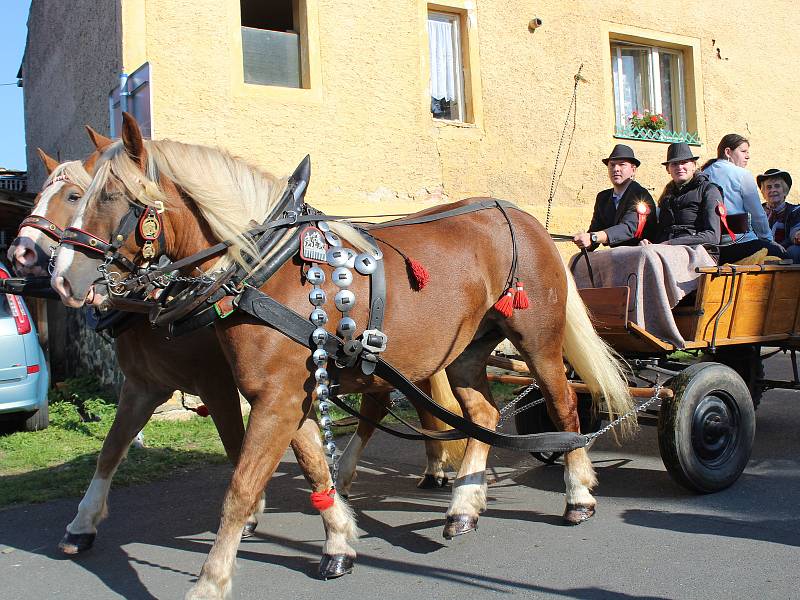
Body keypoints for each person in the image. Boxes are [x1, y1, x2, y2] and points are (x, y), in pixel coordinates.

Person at [702, 134, 785, 262]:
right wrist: (769, 241)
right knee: (788, 258)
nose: (748, 156)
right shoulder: (741, 174)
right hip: (739, 244)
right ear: (728, 152)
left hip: (711, 247)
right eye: (743, 151)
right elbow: (757, 214)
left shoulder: (703, 174)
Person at [573, 144, 657, 250]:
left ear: (633, 170)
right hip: (616, 256)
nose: (616, 169)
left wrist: (594, 237)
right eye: (612, 165)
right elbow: (595, 229)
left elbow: (629, 228)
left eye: (622, 165)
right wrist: (585, 242)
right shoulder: (603, 197)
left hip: (640, 253)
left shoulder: (640, 194)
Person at [644, 142, 721, 246]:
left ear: (693, 166)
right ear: (668, 169)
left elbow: (712, 236)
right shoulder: (667, 195)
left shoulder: (709, 190)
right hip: (666, 250)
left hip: (698, 250)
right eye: (674, 164)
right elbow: (661, 231)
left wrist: (671, 244)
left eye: (684, 162)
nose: (679, 167)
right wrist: (648, 242)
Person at [759, 168, 800, 262]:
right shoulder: (757, 211)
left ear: (785, 191)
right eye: (769, 187)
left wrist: (797, 234)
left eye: (777, 186)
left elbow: (796, 229)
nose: (773, 190)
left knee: (795, 251)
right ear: (763, 192)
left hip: (784, 251)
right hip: (760, 249)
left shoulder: (795, 211)